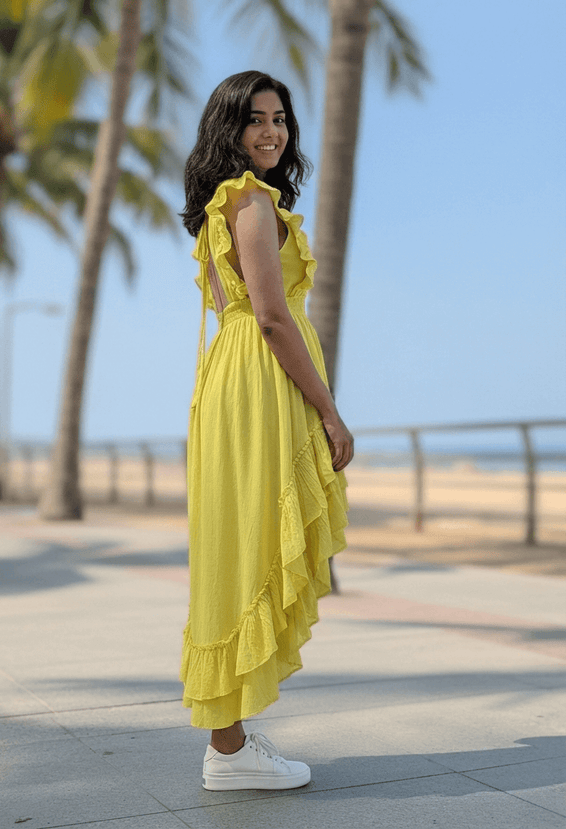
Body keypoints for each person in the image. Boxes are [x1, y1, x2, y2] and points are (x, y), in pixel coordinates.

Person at [180, 70, 353, 792]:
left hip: (233, 379)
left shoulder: (230, 202)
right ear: (229, 127)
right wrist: (329, 410)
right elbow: (275, 318)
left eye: (280, 118)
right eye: (255, 119)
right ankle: (228, 749)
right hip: (261, 382)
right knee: (248, 546)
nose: (272, 131)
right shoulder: (250, 203)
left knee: (236, 544)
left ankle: (231, 737)